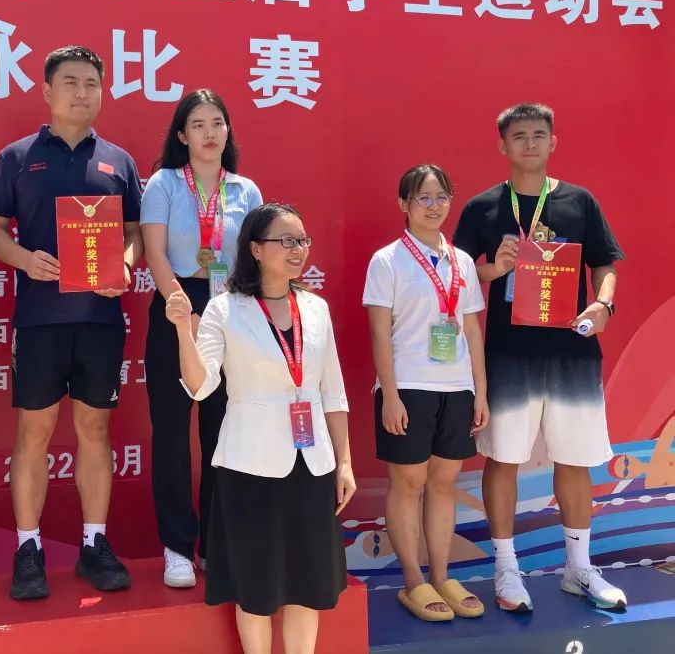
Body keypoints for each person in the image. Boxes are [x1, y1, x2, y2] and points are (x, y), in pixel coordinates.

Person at [0, 45, 143, 599]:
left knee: (95, 430)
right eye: (70, 82)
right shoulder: (18, 157)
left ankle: (95, 543)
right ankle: (27, 548)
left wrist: (126, 264)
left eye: (91, 83)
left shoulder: (119, 161)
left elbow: (135, 232)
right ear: (48, 92)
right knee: (35, 431)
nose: (82, 92)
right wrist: (24, 259)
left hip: (100, 320)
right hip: (40, 320)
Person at [452, 103, 626, 611]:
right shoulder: (483, 208)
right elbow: (455, 275)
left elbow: (605, 264)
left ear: (553, 142)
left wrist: (604, 303)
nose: (529, 143)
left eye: (538, 134)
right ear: (502, 145)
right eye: (519, 136)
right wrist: (493, 269)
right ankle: (506, 569)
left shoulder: (580, 201)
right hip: (509, 354)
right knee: (503, 457)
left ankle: (579, 568)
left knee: (574, 459)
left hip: (573, 351)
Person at [166, 203, 355, 654]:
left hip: (312, 465)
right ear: (255, 248)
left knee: (307, 586)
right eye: (286, 241)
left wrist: (344, 463)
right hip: (250, 467)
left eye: (302, 240)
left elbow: (333, 392)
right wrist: (181, 330)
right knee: (255, 585)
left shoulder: (316, 308)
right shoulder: (224, 309)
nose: (298, 249)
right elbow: (201, 386)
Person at [140, 89, 262, 588]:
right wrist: (181, 311)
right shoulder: (165, 183)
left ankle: (216, 544)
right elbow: (154, 252)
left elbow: (255, 258)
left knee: (223, 433)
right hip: (177, 302)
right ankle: (176, 547)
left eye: (217, 123)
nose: (210, 133)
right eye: (198, 124)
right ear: (182, 134)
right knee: (172, 433)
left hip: (231, 309)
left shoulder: (246, 191)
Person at [362, 165, 489, 622]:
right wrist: (391, 395)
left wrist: (479, 391)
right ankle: (413, 580)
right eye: (423, 198)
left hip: (456, 388)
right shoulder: (387, 261)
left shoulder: (463, 262)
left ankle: (441, 575)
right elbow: (379, 332)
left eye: (442, 197)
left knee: (444, 483)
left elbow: (471, 329)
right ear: (404, 204)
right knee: (408, 483)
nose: (434, 207)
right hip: (409, 387)